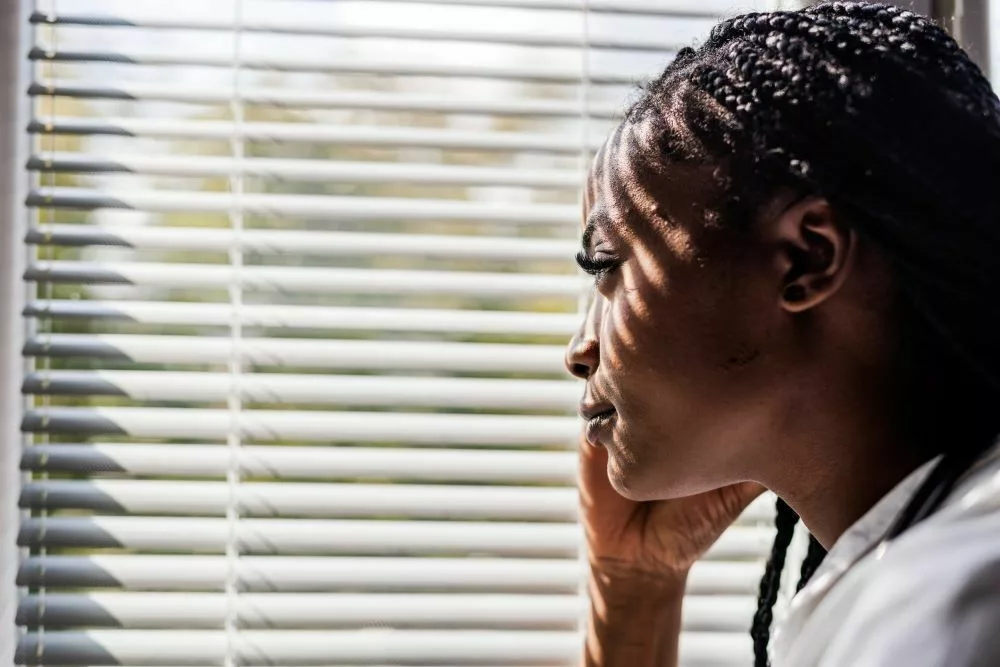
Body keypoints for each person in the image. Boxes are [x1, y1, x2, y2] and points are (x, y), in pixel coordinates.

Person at [565, 2, 1000, 666]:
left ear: (807, 258)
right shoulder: (912, 562)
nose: (579, 351)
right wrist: (636, 583)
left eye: (609, 269)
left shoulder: (943, 613)